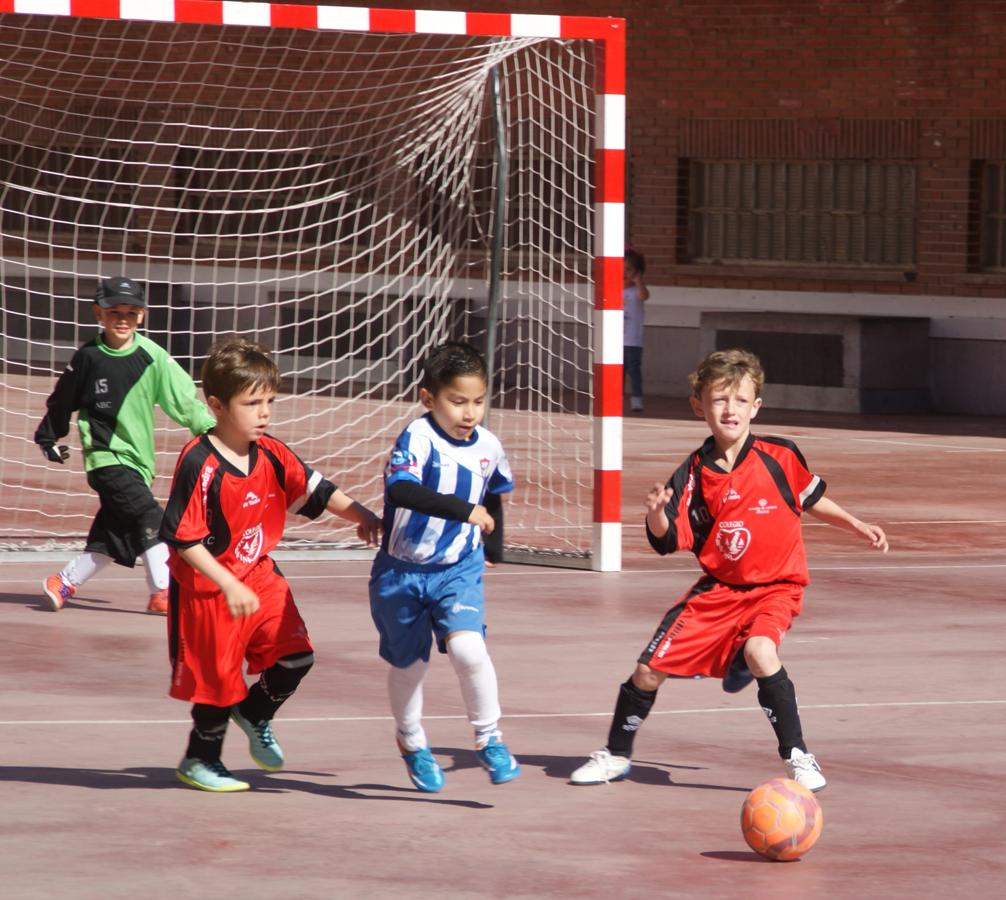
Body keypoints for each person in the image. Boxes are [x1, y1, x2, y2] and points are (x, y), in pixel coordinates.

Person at [570, 348, 889, 792]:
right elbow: (665, 540)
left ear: (756, 406)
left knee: (762, 652)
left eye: (740, 400)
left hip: (777, 586)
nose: (730, 410)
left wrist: (855, 523)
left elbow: (811, 497)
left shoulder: (780, 455)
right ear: (699, 406)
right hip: (720, 591)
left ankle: (797, 755)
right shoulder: (692, 474)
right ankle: (616, 755)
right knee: (646, 671)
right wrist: (656, 514)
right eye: (719, 399)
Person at [159, 336, 381, 792]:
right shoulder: (199, 462)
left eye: (269, 402)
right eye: (252, 402)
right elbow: (184, 540)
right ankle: (200, 760)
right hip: (207, 587)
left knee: (296, 656)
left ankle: (256, 711)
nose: (264, 412)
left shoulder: (272, 453)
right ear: (217, 406)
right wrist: (227, 584)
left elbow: (317, 490)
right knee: (217, 682)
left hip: (258, 575)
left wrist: (364, 515)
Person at [369, 341, 519, 792]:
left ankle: (489, 738)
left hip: (458, 568)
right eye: (457, 401)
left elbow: (491, 491)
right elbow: (401, 492)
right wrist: (464, 511)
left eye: (477, 401)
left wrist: (493, 548)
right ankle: (412, 741)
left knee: (469, 650)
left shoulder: (488, 445)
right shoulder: (418, 438)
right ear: (428, 398)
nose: (469, 412)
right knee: (409, 666)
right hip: (401, 572)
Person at [34, 276, 216, 615]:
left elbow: (184, 400)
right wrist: (48, 437)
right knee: (152, 518)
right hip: (105, 459)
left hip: (139, 464)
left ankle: (62, 582)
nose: (122, 319)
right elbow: (62, 401)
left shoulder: (152, 357)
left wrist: (212, 432)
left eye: (131, 313)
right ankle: (162, 591)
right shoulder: (87, 358)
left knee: (112, 538)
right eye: (114, 312)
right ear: (98, 314)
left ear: (142, 316)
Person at [623, 247, 650, 413]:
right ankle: (616, 399)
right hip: (615, 340)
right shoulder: (613, 289)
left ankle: (636, 400)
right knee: (617, 373)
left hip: (632, 340)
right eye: (621, 269)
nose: (624, 273)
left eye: (628, 269)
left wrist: (639, 281)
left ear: (636, 272)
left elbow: (644, 295)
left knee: (634, 371)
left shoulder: (636, 291)